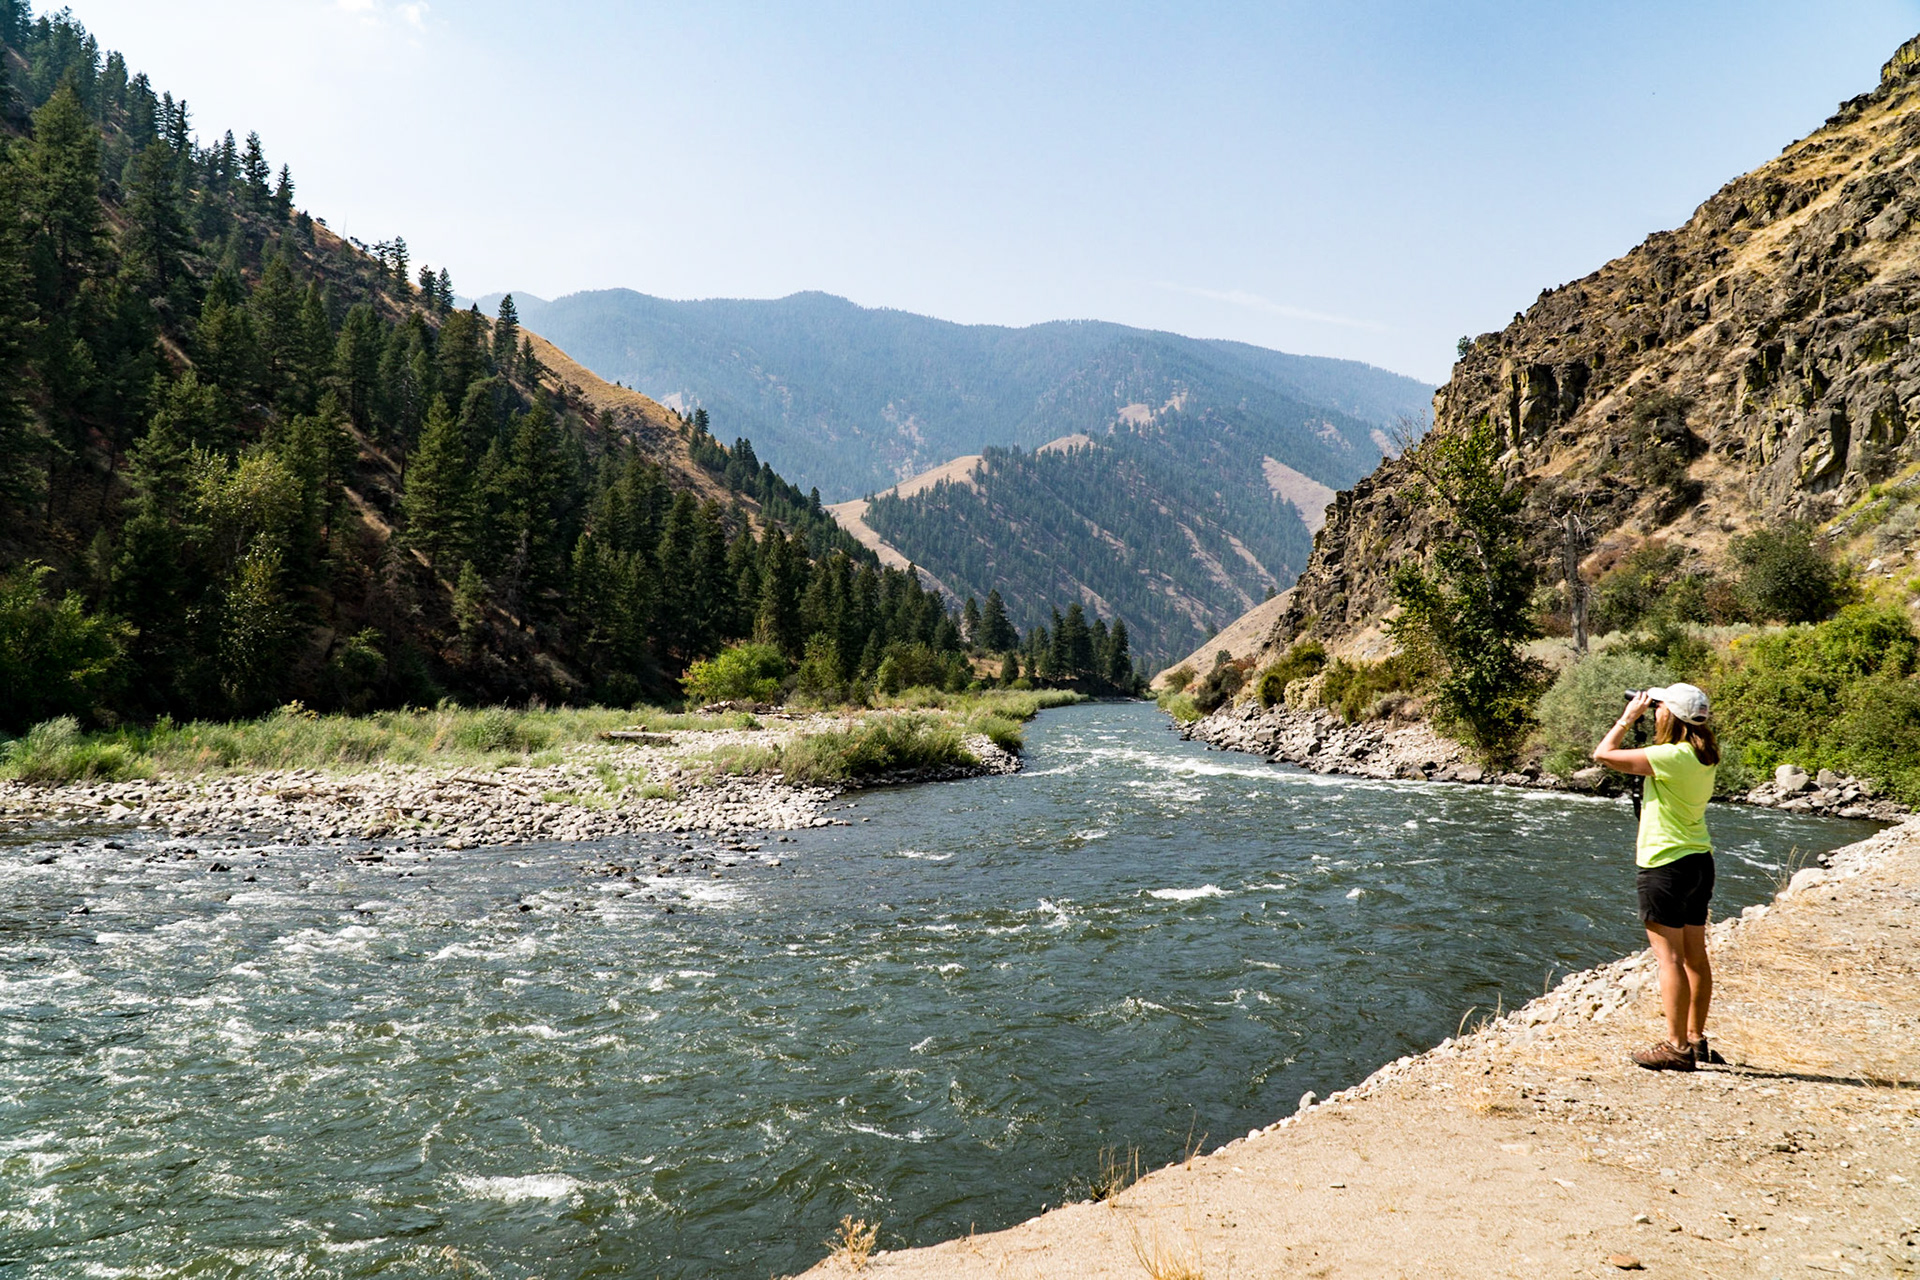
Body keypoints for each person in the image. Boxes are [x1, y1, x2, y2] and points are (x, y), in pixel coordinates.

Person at [1592, 683, 1722, 1072]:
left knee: (1670, 960)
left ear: (1670, 716)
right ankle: (1697, 1040)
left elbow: (1604, 754)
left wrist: (1627, 717)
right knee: (1696, 957)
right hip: (1699, 860)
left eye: (1660, 707)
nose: (1655, 711)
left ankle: (1677, 1047)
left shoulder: (1670, 756)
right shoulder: (1704, 753)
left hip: (1665, 864)